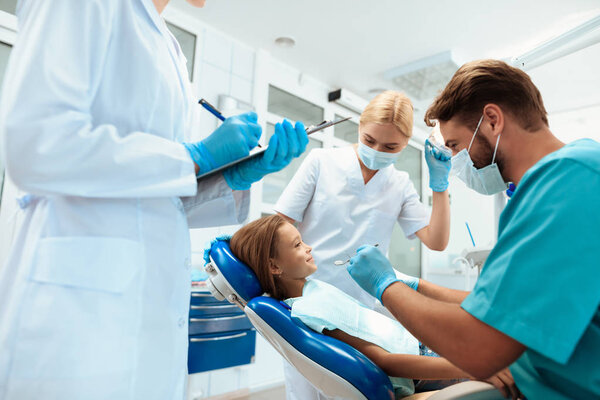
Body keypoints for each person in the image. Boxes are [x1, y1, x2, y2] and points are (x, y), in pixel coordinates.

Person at [0, 1, 307, 399]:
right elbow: (36, 144)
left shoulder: (167, 46)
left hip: (146, 319)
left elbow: (154, 201)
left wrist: (232, 177)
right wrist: (192, 158)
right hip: (77, 322)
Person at [347, 59, 600, 400]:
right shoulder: (561, 179)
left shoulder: (569, 180)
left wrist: (385, 286)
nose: (453, 160)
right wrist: (412, 284)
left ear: (492, 120)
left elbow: (480, 346)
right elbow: (497, 308)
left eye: (453, 145)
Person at [273, 90, 452, 398]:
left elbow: (436, 240)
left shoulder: (399, 184)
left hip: (358, 314)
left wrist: (440, 187)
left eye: (390, 146)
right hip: (308, 305)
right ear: (359, 127)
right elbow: (278, 229)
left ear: (404, 144)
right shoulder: (321, 161)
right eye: (369, 140)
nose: (377, 150)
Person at [225, 214, 519, 399]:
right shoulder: (310, 311)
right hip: (423, 370)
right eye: (298, 245)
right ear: (274, 266)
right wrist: (468, 367)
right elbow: (385, 360)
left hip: (426, 349)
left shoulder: (314, 289)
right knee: (522, 373)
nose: (309, 248)